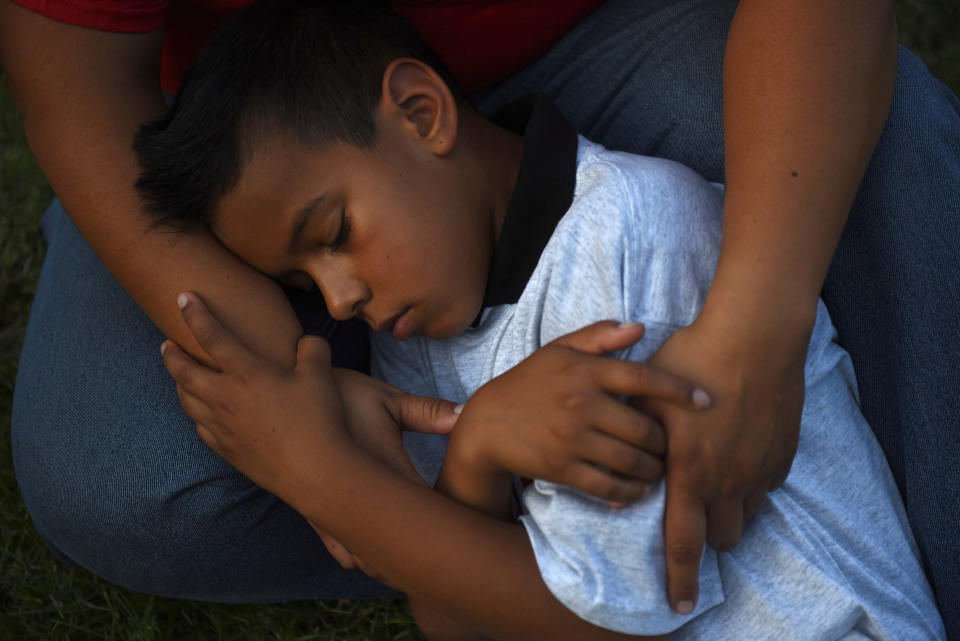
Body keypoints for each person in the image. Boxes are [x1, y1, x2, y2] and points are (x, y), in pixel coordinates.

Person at [2, 0, 957, 631]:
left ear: (423, 115)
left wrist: (330, 482)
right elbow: (452, 618)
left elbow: (594, 629)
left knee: (890, 173)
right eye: (304, 281)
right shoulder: (415, 333)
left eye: (332, 234)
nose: (335, 303)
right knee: (111, 465)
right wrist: (473, 460)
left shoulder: (630, 254)